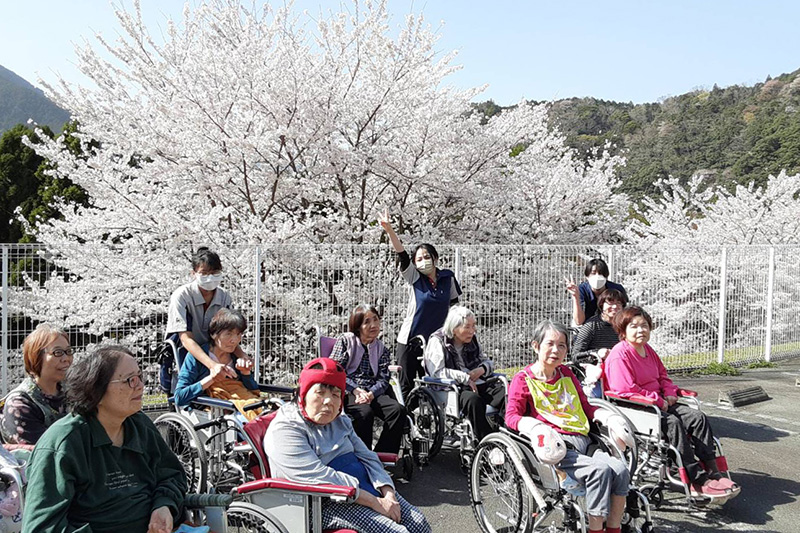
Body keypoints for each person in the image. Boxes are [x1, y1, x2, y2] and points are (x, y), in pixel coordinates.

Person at [22, 345, 187, 533]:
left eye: (139, 377)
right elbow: (41, 527)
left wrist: (163, 505)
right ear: (96, 391)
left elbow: (171, 474)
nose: (141, 385)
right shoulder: (63, 443)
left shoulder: (140, 425)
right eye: (130, 380)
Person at [265, 357, 430, 533]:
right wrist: (375, 503)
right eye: (320, 393)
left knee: (419, 524)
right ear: (303, 393)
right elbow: (319, 478)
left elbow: (367, 456)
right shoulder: (286, 430)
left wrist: (388, 492)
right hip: (321, 502)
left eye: (335, 395)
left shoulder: (340, 420)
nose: (328, 401)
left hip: (361, 488)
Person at [506, 320, 633, 533]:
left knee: (620, 470)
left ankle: (613, 528)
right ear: (536, 346)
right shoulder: (523, 379)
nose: (556, 350)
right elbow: (511, 416)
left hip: (586, 440)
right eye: (550, 344)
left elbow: (585, 407)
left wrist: (608, 417)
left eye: (562, 345)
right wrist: (534, 427)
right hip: (557, 447)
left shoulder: (567, 374)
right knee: (599, 471)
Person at [604, 306, 740, 498]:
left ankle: (712, 470)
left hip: (659, 403)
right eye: (634, 326)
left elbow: (663, 376)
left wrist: (668, 392)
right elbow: (625, 390)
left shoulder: (648, 350)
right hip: (638, 407)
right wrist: (658, 400)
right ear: (623, 330)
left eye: (644, 325)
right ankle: (696, 479)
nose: (641, 330)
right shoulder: (620, 354)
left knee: (697, 418)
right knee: (674, 424)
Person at [378, 209, 461, 398]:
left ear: (435, 258)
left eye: (426, 257)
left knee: (433, 385)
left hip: (435, 343)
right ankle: (407, 424)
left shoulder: (448, 279)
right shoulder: (415, 277)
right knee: (406, 387)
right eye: (419, 259)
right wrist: (389, 229)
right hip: (410, 340)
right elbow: (402, 254)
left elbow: (455, 308)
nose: (423, 261)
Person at [164, 247, 252, 391]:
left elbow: (231, 331)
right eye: (204, 273)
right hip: (188, 353)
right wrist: (212, 365)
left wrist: (243, 356)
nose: (210, 278)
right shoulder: (182, 296)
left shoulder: (224, 297)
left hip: (218, 350)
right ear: (193, 274)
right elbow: (185, 338)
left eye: (215, 273)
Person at [329, 305, 407, 453]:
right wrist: (356, 390)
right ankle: (362, 454)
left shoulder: (381, 348)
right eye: (367, 322)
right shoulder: (346, 341)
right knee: (364, 413)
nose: (373, 325)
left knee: (397, 410)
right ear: (358, 326)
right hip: (349, 391)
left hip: (373, 391)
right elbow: (336, 370)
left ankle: (382, 454)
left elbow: (384, 378)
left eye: (376, 320)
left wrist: (371, 393)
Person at [424, 306, 504, 443]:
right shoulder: (437, 341)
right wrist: (464, 377)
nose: (472, 331)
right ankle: (488, 441)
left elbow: (486, 360)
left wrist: (482, 369)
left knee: (505, 393)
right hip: (452, 389)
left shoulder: (472, 339)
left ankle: (508, 434)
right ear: (454, 328)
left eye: (474, 326)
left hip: (477, 382)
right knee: (473, 400)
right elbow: (437, 372)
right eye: (467, 327)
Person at [174, 308, 260, 420]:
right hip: (218, 411)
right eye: (229, 334)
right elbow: (179, 397)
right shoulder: (196, 357)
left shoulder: (236, 356)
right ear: (214, 335)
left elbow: (253, 391)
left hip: (244, 404)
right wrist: (211, 379)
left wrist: (246, 373)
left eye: (238, 334)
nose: (234, 340)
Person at [1, 324, 73, 445]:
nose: (66, 358)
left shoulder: (74, 393)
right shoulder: (20, 404)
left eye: (69, 351)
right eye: (58, 352)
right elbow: (44, 452)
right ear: (35, 357)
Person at [571, 289, 627, 397]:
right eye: (610, 303)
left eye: (618, 303)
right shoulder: (591, 326)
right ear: (602, 305)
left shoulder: (624, 328)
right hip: (596, 377)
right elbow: (575, 356)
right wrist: (597, 354)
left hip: (620, 374)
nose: (615, 307)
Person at [566, 258, 627, 326]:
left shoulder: (617, 289)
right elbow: (578, 321)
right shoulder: (581, 290)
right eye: (593, 273)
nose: (597, 276)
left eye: (601, 273)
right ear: (587, 276)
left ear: (606, 276)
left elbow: (624, 314)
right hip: (587, 327)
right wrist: (575, 297)